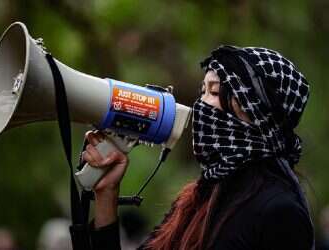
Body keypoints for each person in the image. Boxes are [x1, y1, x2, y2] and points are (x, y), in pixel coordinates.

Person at [83, 45, 314, 249]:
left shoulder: (281, 213)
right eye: (203, 91)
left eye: (214, 92)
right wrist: (106, 194)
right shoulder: (197, 198)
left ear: (258, 112)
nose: (202, 103)